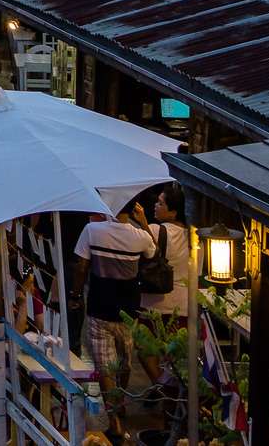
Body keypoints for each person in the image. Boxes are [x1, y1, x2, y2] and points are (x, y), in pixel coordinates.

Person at [72, 208, 156, 433]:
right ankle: (119, 405)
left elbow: (81, 267)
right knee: (124, 363)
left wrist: (75, 294)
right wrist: (145, 222)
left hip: (98, 308)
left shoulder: (92, 231)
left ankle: (113, 419)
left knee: (104, 367)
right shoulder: (141, 237)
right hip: (128, 313)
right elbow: (153, 253)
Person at [133, 185, 192, 384]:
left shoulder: (157, 230)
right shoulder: (193, 235)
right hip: (183, 304)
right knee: (174, 356)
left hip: (155, 301)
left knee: (145, 349)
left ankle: (160, 385)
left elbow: (146, 250)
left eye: (160, 203)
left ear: (173, 211)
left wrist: (142, 223)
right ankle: (169, 390)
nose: (155, 206)